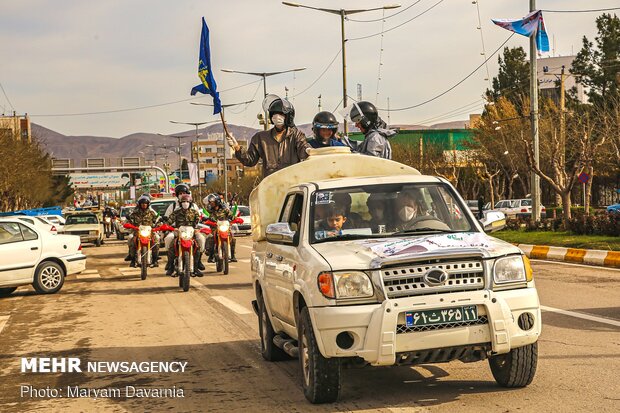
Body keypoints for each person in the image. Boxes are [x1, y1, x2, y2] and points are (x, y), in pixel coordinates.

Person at [226, 94, 310, 177]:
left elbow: (305, 151)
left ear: (287, 116)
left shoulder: (296, 136)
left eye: (281, 114)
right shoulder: (261, 138)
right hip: (270, 185)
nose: (277, 117)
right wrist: (237, 147)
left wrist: (310, 151)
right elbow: (250, 160)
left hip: (292, 184)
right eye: (274, 114)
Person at [164, 183, 205, 272]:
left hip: (192, 231)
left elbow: (199, 219)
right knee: (169, 239)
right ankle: (170, 263)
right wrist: (168, 226)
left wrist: (198, 228)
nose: (182, 195)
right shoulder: (174, 207)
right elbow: (168, 219)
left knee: (201, 239)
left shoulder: (194, 207)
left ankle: (198, 263)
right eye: (180, 193)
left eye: (184, 193)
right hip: (177, 230)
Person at [126, 195, 160, 268]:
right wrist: (128, 221)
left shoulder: (152, 213)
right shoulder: (134, 213)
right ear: (139, 204)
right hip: (137, 232)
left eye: (145, 203)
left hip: (149, 233)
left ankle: (155, 259)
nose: (144, 205)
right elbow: (129, 221)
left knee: (157, 238)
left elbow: (157, 221)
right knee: (130, 238)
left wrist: (158, 225)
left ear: (148, 204)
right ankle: (132, 258)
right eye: (142, 203)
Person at [203, 193, 238, 262]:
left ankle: (233, 255)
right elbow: (207, 216)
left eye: (213, 202)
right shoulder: (210, 210)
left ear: (217, 201)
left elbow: (231, 215)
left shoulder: (225, 210)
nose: (211, 203)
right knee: (211, 238)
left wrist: (234, 218)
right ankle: (211, 255)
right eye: (210, 202)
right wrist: (207, 219)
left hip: (225, 227)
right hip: (215, 228)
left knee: (233, 238)